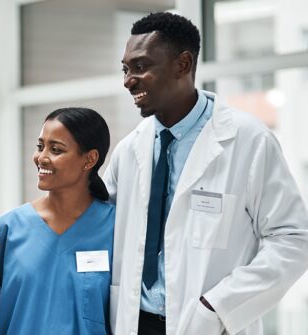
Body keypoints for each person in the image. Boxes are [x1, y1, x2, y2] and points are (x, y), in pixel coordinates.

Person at [108, 12, 308, 334]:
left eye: (141, 67)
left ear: (182, 65)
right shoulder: (129, 150)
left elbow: (293, 240)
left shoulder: (249, 141)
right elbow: (94, 222)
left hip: (208, 325)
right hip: (134, 322)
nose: (128, 80)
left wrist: (217, 306)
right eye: (126, 69)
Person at [0, 107, 114, 334]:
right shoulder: (7, 230)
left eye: (55, 149)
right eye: (40, 147)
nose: (41, 157)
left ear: (89, 159)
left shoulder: (115, 228)